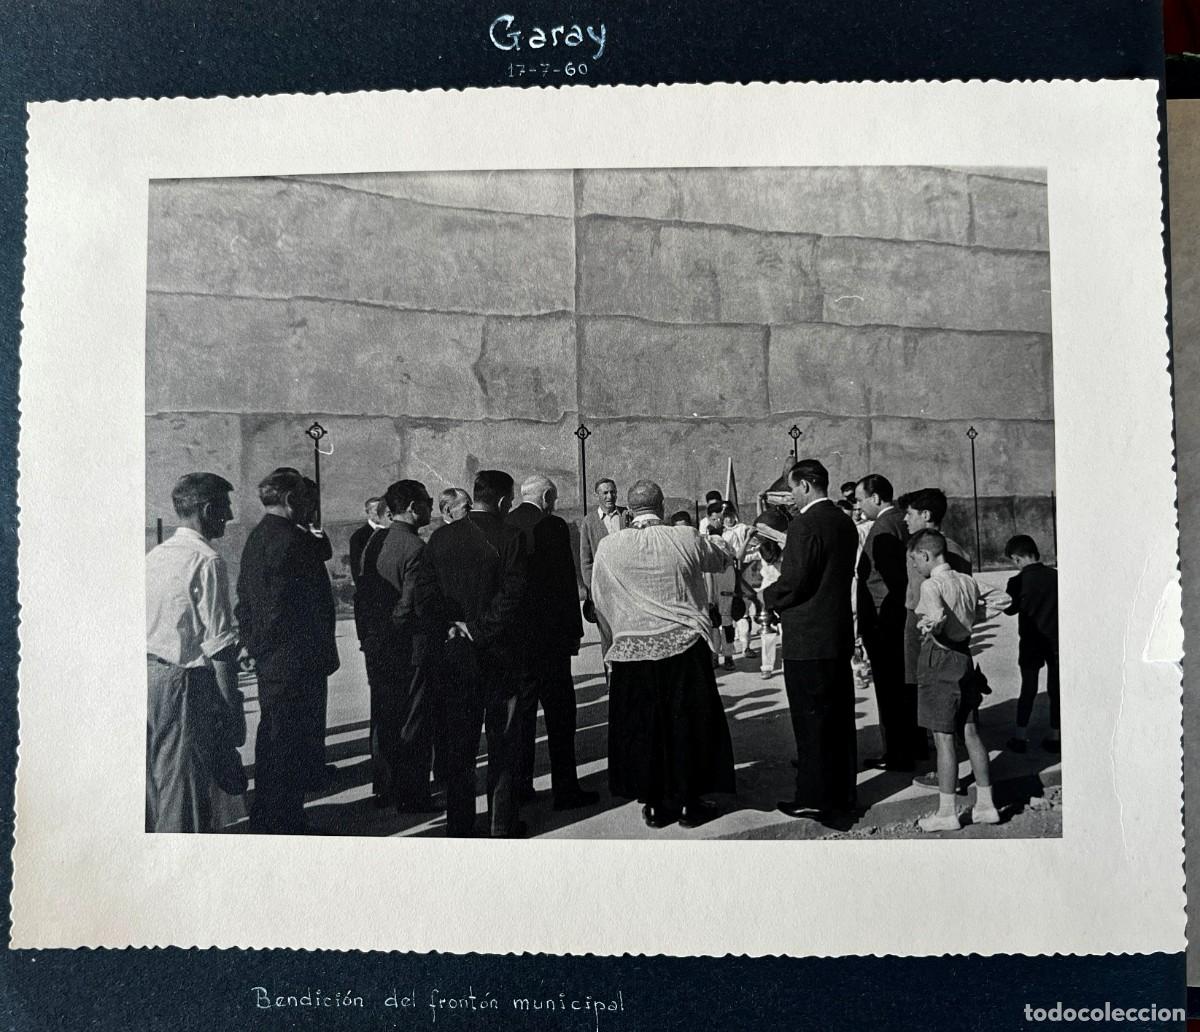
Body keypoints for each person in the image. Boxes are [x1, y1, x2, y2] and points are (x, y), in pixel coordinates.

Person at [591, 479, 736, 829]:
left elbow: (599, 598)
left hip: (632, 651)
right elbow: (722, 559)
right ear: (663, 507)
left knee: (644, 731)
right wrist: (715, 534)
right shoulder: (683, 537)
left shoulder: (610, 546)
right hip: (683, 646)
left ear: (629, 510)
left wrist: (617, 635)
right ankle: (689, 802)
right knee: (687, 725)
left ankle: (654, 804)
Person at [415, 469, 527, 837]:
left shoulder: (439, 539)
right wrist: (479, 630)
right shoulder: (511, 537)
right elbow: (513, 597)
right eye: (508, 500)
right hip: (501, 658)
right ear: (502, 501)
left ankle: (459, 826)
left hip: (455, 658)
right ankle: (500, 824)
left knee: (459, 750)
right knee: (502, 746)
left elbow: (426, 596)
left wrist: (452, 627)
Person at [236, 470, 339, 834]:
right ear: (293, 501)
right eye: (307, 501)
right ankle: (284, 819)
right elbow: (279, 606)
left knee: (277, 738)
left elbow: (245, 598)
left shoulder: (260, 536)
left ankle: (271, 813)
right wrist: (266, 647)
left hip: (277, 658)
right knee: (288, 743)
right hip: (293, 659)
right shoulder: (289, 541)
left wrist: (252, 644)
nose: (312, 507)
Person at [146, 472, 246, 833]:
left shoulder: (156, 555)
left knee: (156, 784)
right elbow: (218, 645)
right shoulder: (206, 560)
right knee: (182, 789)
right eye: (225, 508)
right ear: (207, 509)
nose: (230, 517)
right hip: (183, 682)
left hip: (149, 678)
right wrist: (232, 704)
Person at [764, 460, 860, 822]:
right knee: (838, 721)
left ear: (805, 486)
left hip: (807, 639)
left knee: (811, 724)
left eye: (792, 489)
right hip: (835, 634)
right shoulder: (843, 520)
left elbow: (795, 581)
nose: (790, 497)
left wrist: (769, 598)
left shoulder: (805, 523)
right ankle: (842, 795)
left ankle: (815, 798)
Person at [507, 474, 599, 811]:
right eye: (554, 499)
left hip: (518, 642)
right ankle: (565, 789)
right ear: (546, 496)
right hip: (551, 641)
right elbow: (564, 585)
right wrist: (574, 633)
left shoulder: (507, 523)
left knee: (522, 717)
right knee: (560, 718)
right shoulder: (554, 527)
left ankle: (521, 785)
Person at [908, 530, 1000, 831]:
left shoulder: (930, 584)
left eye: (915, 561)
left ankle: (947, 812)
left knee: (943, 738)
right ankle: (986, 805)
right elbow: (1003, 597)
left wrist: (929, 625)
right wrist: (974, 617)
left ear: (925, 555)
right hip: (965, 657)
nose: (915, 567)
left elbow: (934, 615)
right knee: (971, 731)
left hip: (940, 657)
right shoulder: (967, 580)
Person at [371, 478, 438, 812]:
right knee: (415, 721)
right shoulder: (415, 548)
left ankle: (390, 788)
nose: (431, 506)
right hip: (411, 647)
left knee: (390, 718)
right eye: (427, 501)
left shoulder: (378, 541)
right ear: (413, 508)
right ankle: (413, 796)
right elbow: (412, 604)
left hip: (382, 647)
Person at [900, 488, 971, 788]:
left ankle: (945, 772)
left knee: (934, 695)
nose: (905, 519)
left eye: (911, 513)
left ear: (926, 516)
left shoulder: (933, 551)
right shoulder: (955, 548)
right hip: (943, 630)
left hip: (929, 629)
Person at [855, 473, 916, 771]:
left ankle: (897, 753)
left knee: (890, 691)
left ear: (875, 497)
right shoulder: (899, 521)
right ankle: (911, 746)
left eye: (860, 498)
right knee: (904, 687)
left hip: (885, 621)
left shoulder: (882, 527)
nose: (858, 505)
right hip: (896, 620)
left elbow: (893, 581)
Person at [1002, 534, 1060, 754]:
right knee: (1055, 689)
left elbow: (1010, 609)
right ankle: (1055, 735)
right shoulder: (1055, 577)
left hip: (1030, 642)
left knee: (1028, 689)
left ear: (1017, 559)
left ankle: (1020, 735)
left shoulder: (1017, 582)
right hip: (1055, 641)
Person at [579, 477, 628, 663]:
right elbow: (586, 560)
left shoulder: (626, 516)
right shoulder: (589, 522)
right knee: (607, 637)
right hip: (603, 590)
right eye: (605, 493)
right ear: (597, 495)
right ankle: (611, 679)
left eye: (613, 492)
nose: (610, 496)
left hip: (627, 587)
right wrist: (592, 589)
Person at [750, 508, 789, 679]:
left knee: (783, 629)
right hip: (770, 590)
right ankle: (767, 665)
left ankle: (783, 663)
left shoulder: (785, 545)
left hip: (781, 587)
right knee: (768, 629)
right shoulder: (761, 547)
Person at [702, 501, 738, 671]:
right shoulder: (703, 540)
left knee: (727, 620)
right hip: (711, 582)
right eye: (716, 518)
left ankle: (729, 655)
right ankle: (715, 654)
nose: (719, 521)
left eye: (721, 518)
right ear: (709, 519)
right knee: (713, 621)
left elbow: (733, 558)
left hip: (726, 580)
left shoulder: (727, 538)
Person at [349, 496, 389, 590]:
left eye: (382, 509)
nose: (380, 513)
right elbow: (356, 568)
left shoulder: (390, 531)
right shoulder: (359, 536)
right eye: (376, 510)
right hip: (370, 588)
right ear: (368, 513)